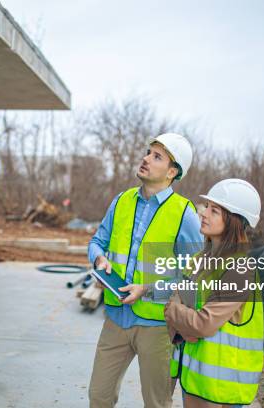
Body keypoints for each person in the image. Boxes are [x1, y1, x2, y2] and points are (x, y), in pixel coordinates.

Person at [88, 133, 203, 408]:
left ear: (172, 172)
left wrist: (147, 290)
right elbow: (97, 241)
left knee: (157, 402)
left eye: (157, 156)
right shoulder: (122, 201)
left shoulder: (184, 213)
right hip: (116, 318)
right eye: (148, 152)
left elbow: (194, 276)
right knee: (98, 397)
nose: (146, 159)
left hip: (157, 326)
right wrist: (99, 261)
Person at [165, 178, 264, 408]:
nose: (204, 214)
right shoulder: (199, 260)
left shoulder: (239, 269)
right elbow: (177, 303)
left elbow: (203, 323)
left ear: (234, 222)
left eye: (215, 210)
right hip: (193, 381)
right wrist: (184, 326)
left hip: (221, 391)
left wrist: (176, 313)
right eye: (207, 207)